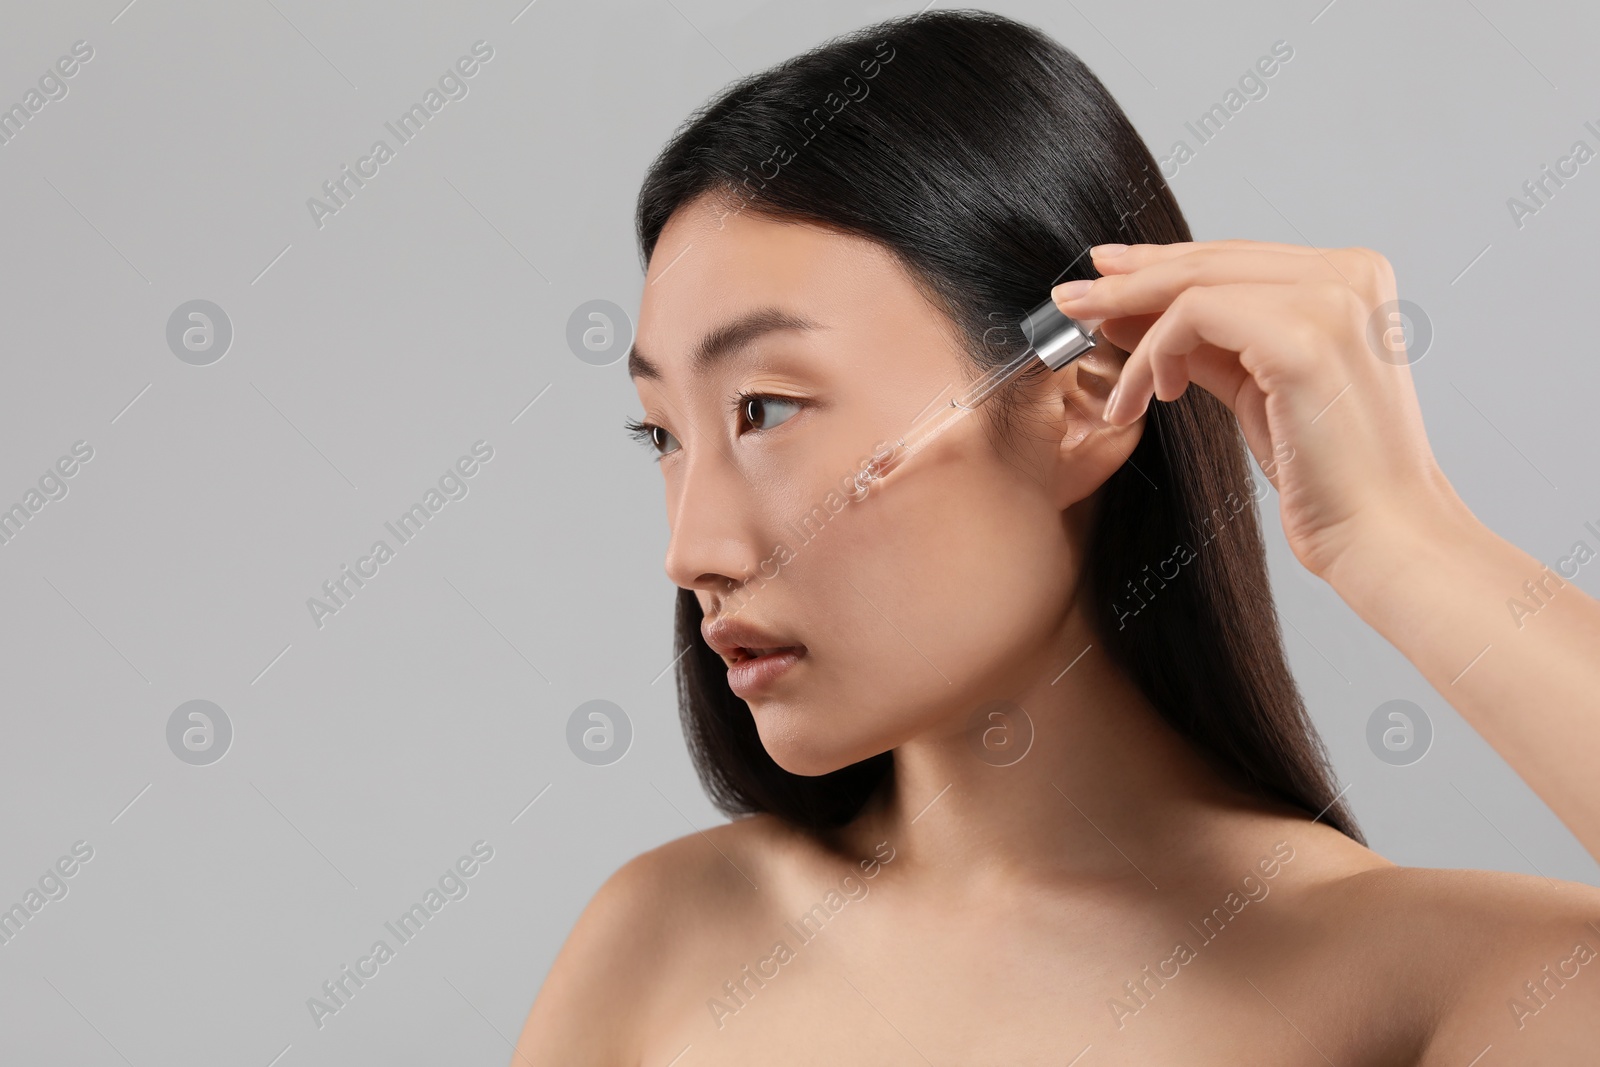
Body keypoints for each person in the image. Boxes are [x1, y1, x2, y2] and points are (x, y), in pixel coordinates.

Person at [515, 9, 1600, 1063]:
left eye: (765, 407)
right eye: (659, 431)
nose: (689, 548)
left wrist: (1405, 535)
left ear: (1081, 396)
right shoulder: (661, 943)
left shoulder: (1435, 983)